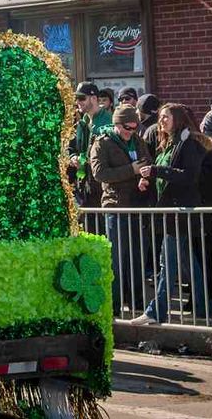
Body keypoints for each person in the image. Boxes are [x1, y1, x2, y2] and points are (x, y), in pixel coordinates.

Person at [132, 104, 211, 324]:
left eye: (166, 117)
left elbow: (188, 176)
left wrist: (157, 171)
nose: (162, 121)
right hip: (167, 212)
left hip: (180, 212)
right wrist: (147, 179)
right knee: (187, 262)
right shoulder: (166, 144)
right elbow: (163, 174)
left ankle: (155, 311)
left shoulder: (190, 145)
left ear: (177, 119)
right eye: (160, 117)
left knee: (167, 263)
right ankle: (205, 307)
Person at [90, 105, 153, 312]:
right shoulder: (102, 143)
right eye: (127, 127)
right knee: (116, 257)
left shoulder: (138, 140)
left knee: (136, 256)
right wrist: (130, 170)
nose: (131, 131)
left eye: (135, 127)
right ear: (117, 124)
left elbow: (147, 162)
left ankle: (135, 300)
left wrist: (144, 176)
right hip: (115, 205)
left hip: (137, 204)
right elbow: (100, 174)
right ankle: (115, 304)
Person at [67, 82, 112, 207]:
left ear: (94, 98)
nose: (78, 102)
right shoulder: (82, 123)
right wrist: (73, 157)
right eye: (76, 98)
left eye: (82, 98)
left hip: (103, 185)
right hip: (84, 182)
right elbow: (72, 147)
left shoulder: (108, 122)